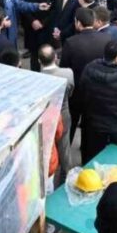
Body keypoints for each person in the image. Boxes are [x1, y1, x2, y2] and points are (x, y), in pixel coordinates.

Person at [61, 7, 112, 140]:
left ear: (78, 23)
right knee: (90, 127)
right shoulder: (106, 40)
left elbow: (65, 68)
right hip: (97, 90)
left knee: (71, 124)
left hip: (76, 92)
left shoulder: (71, 43)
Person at [38, 44, 74, 184]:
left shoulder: (37, 77)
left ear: (40, 61)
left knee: (46, 146)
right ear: (56, 57)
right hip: (63, 113)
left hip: (45, 116)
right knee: (64, 147)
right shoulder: (68, 73)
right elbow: (71, 90)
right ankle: (67, 176)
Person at [22, 0, 61, 71]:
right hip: (32, 28)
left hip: (47, 28)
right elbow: (23, 7)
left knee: (49, 55)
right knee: (34, 56)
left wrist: (43, 23)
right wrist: (32, 21)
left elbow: (56, 10)